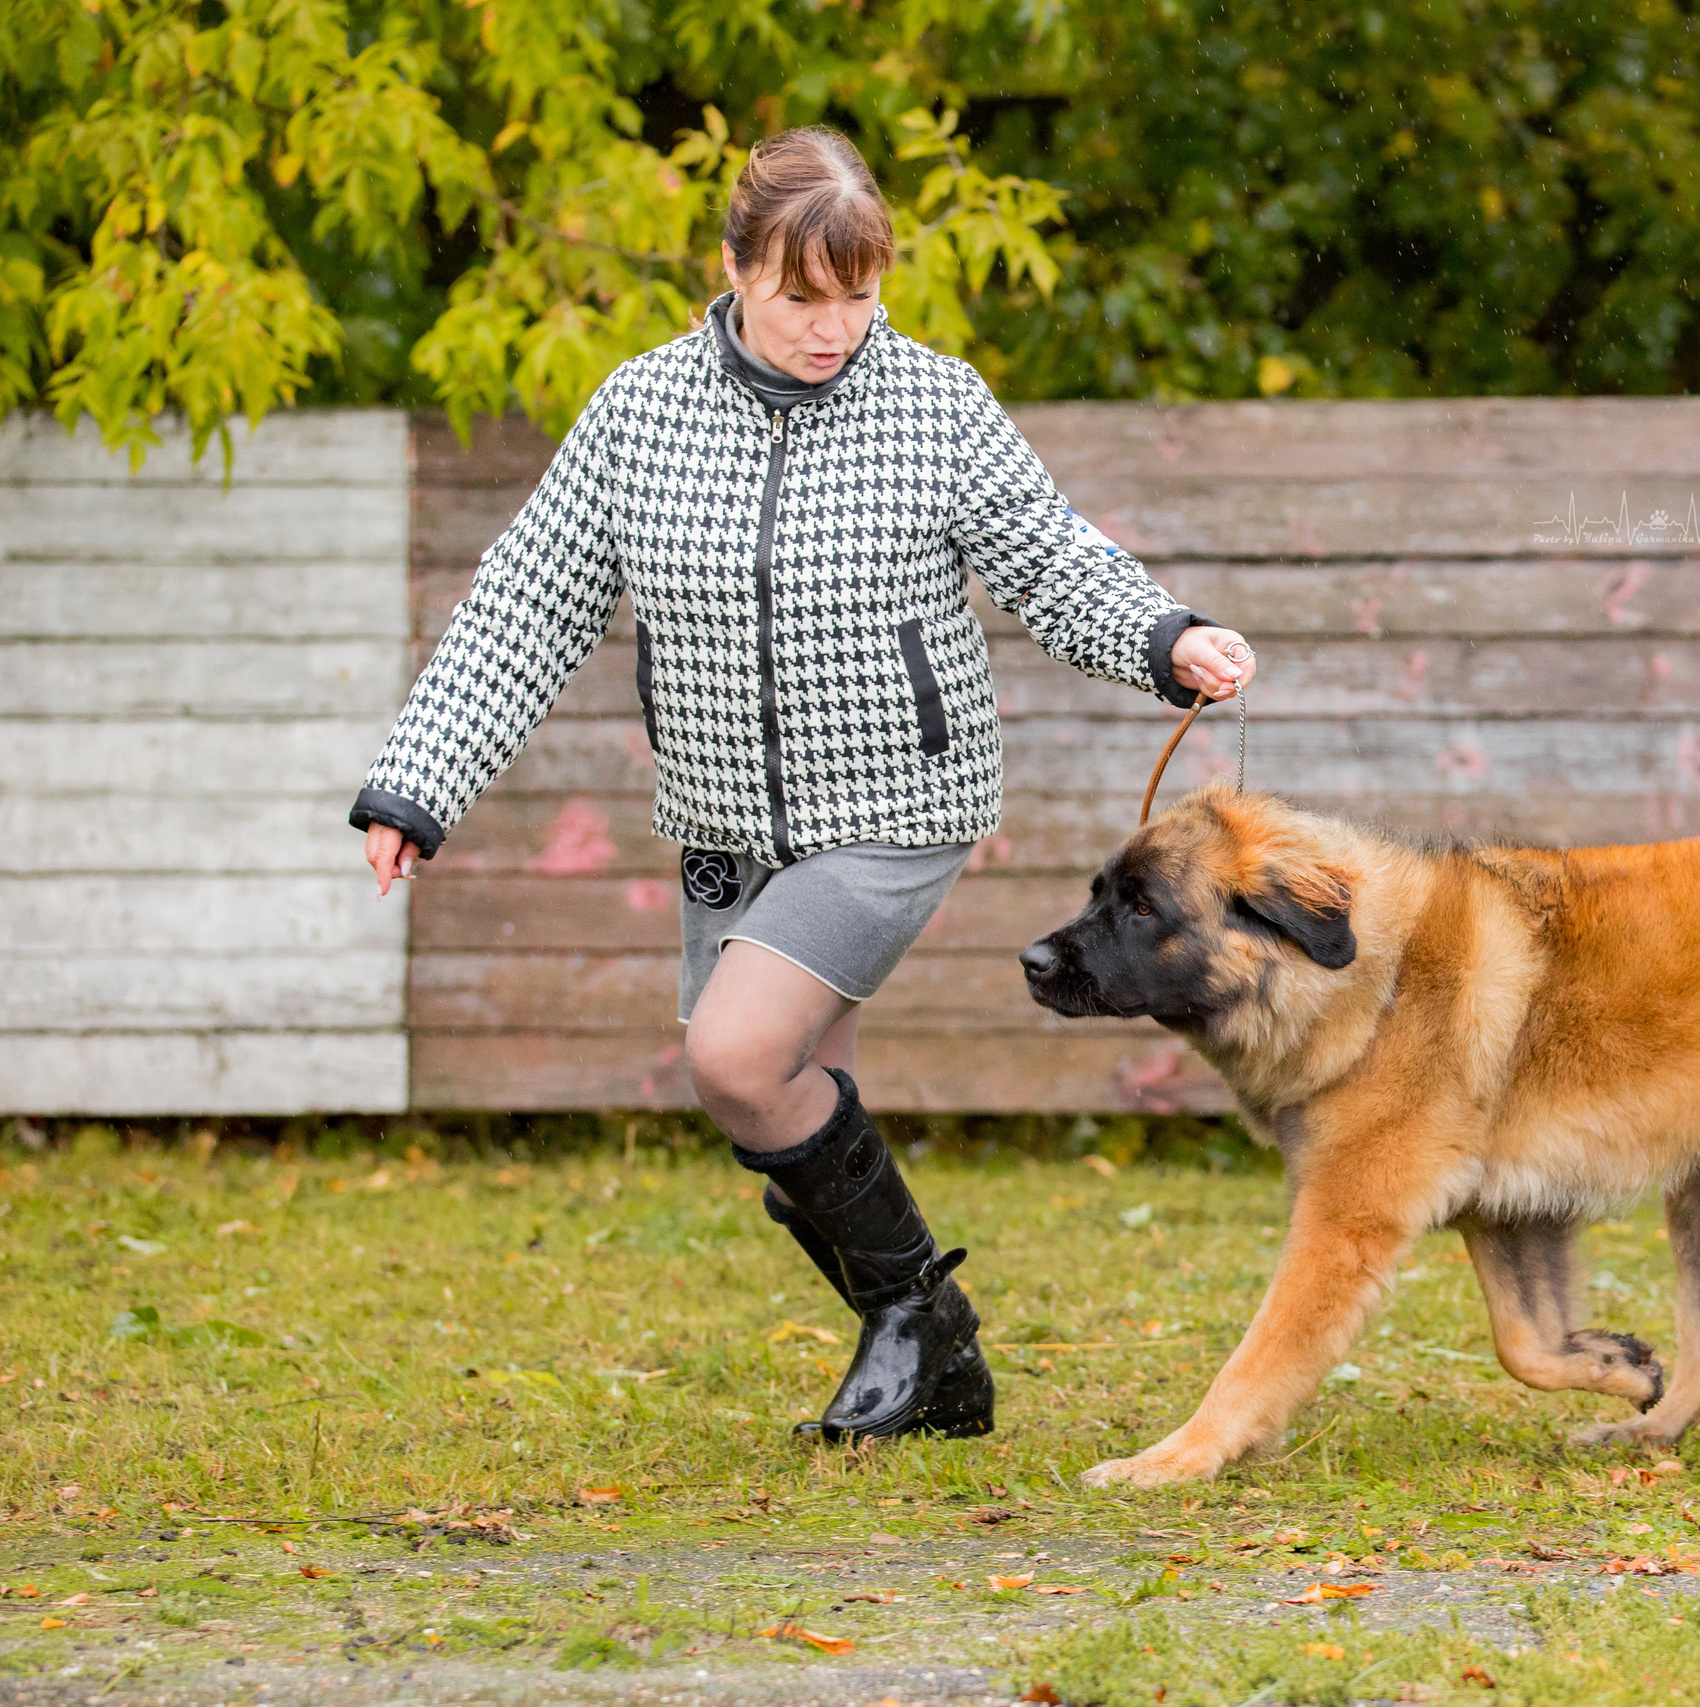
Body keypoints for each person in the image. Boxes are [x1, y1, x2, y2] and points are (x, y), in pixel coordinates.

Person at [349, 126, 1257, 1447]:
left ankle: (912, 1320)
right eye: (801, 298)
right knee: (791, 1111)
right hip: (725, 820)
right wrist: (414, 788)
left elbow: (1051, 555)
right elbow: (523, 609)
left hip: (895, 806)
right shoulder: (640, 411)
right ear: (732, 269)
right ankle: (935, 1357)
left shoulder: (933, 404)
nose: (836, 327)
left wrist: (1163, 636)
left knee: (734, 1056)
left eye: (860, 295)